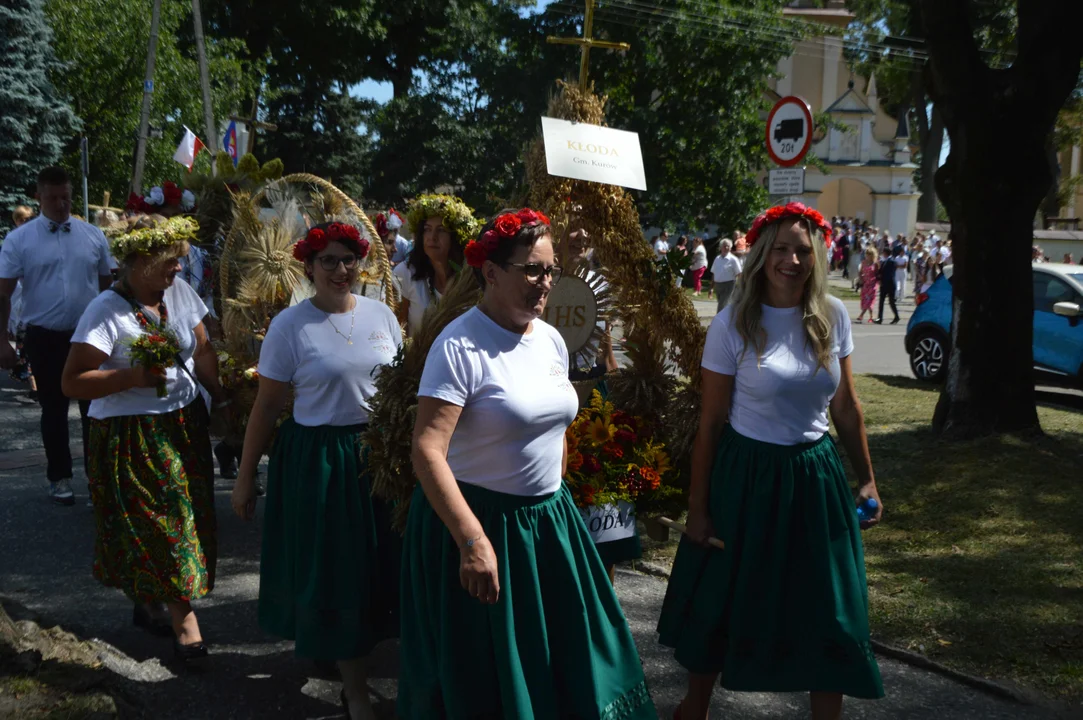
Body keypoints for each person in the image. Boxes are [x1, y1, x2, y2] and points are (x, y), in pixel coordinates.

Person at [399, 208, 656, 720]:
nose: (545, 283)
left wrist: (555, 497)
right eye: (533, 270)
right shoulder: (459, 345)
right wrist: (473, 541)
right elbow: (427, 449)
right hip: (481, 525)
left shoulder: (551, 338)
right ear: (491, 272)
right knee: (489, 675)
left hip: (546, 525)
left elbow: (555, 424)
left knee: (568, 660)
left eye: (551, 270)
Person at [657, 202, 884, 720]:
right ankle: (695, 708)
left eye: (803, 250)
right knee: (723, 595)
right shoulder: (734, 322)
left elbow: (845, 407)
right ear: (762, 254)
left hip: (815, 478)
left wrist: (867, 479)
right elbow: (710, 423)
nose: (792, 260)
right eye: (780, 248)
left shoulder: (833, 314)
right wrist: (698, 506)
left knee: (829, 606)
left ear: (817, 256)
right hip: (747, 477)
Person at [232, 221, 401, 720]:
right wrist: (245, 477)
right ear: (308, 266)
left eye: (348, 258)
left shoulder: (382, 315)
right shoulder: (290, 326)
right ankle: (355, 690)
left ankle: (351, 652)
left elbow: (398, 387)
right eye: (328, 260)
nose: (340, 269)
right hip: (321, 460)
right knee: (339, 572)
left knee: (380, 566)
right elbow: (265, 408)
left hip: (377, 456)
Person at [61, 215, 225, 660]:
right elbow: (72, 382)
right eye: (169, 262)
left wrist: (222, 395)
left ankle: (151, 600)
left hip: (184, 422)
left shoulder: (179, 294)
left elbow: (203, 346)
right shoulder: (105, 311)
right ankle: (184, 621)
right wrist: (132, 375)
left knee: (189, 514)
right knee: (166, 520)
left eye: (178, 261)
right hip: (131, 432)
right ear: (138, 261)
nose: (177, 269)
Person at [0, 167, 115, 505]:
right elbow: (3, 294)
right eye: (53, 197)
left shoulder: (92, 234)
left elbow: (108, 286)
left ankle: (98, 479)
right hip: (44, 336)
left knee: (95, 409)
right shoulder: (20, 239)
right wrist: (1, 341)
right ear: (39, 198)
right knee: (54, 408)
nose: (61, 203)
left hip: (89, 336)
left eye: (66, 196)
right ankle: (59, 477)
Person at [396, 194, 477, 337]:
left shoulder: (469, 277)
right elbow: (398, 330)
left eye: (441, 230)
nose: (432, 237)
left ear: (455, 237)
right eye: (427, 229)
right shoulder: (405, 272)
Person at [710, 239, 742, 313]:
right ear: (721, 247)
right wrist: (711, 288)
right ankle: (728, 321)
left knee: (722, 305)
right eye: (724, 246)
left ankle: (717, 322)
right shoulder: (717, 259)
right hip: (718, 286)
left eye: (728, 246)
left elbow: (739, 274)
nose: (726, 247)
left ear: (730, 248)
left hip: (729, 285)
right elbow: (714, 273)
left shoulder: (733, 259)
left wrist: (741, 286)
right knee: (724, 305)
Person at [876, 247, 901, 325]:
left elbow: (888, 274)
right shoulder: (884, 261)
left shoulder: (892, 261)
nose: (882, 254)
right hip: (884, 284)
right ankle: (880, 318)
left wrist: (882, 279)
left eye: (883, 252)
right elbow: (881, 272)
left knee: (891, 302)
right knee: (881, 302)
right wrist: (878, 278)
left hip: (889, 284)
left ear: (886, 253)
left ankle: (896, 316)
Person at [857, 245, 878, 324]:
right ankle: (867, 315)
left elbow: (878, 274)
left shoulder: (875, 264)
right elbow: (860, 272)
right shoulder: (864, 262)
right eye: (867, 254)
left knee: (870, 301)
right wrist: (861, 279)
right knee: (865, 300)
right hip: (865, 283)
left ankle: (867, 315)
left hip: (872, 284)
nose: (867, 256)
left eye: (869, 254)